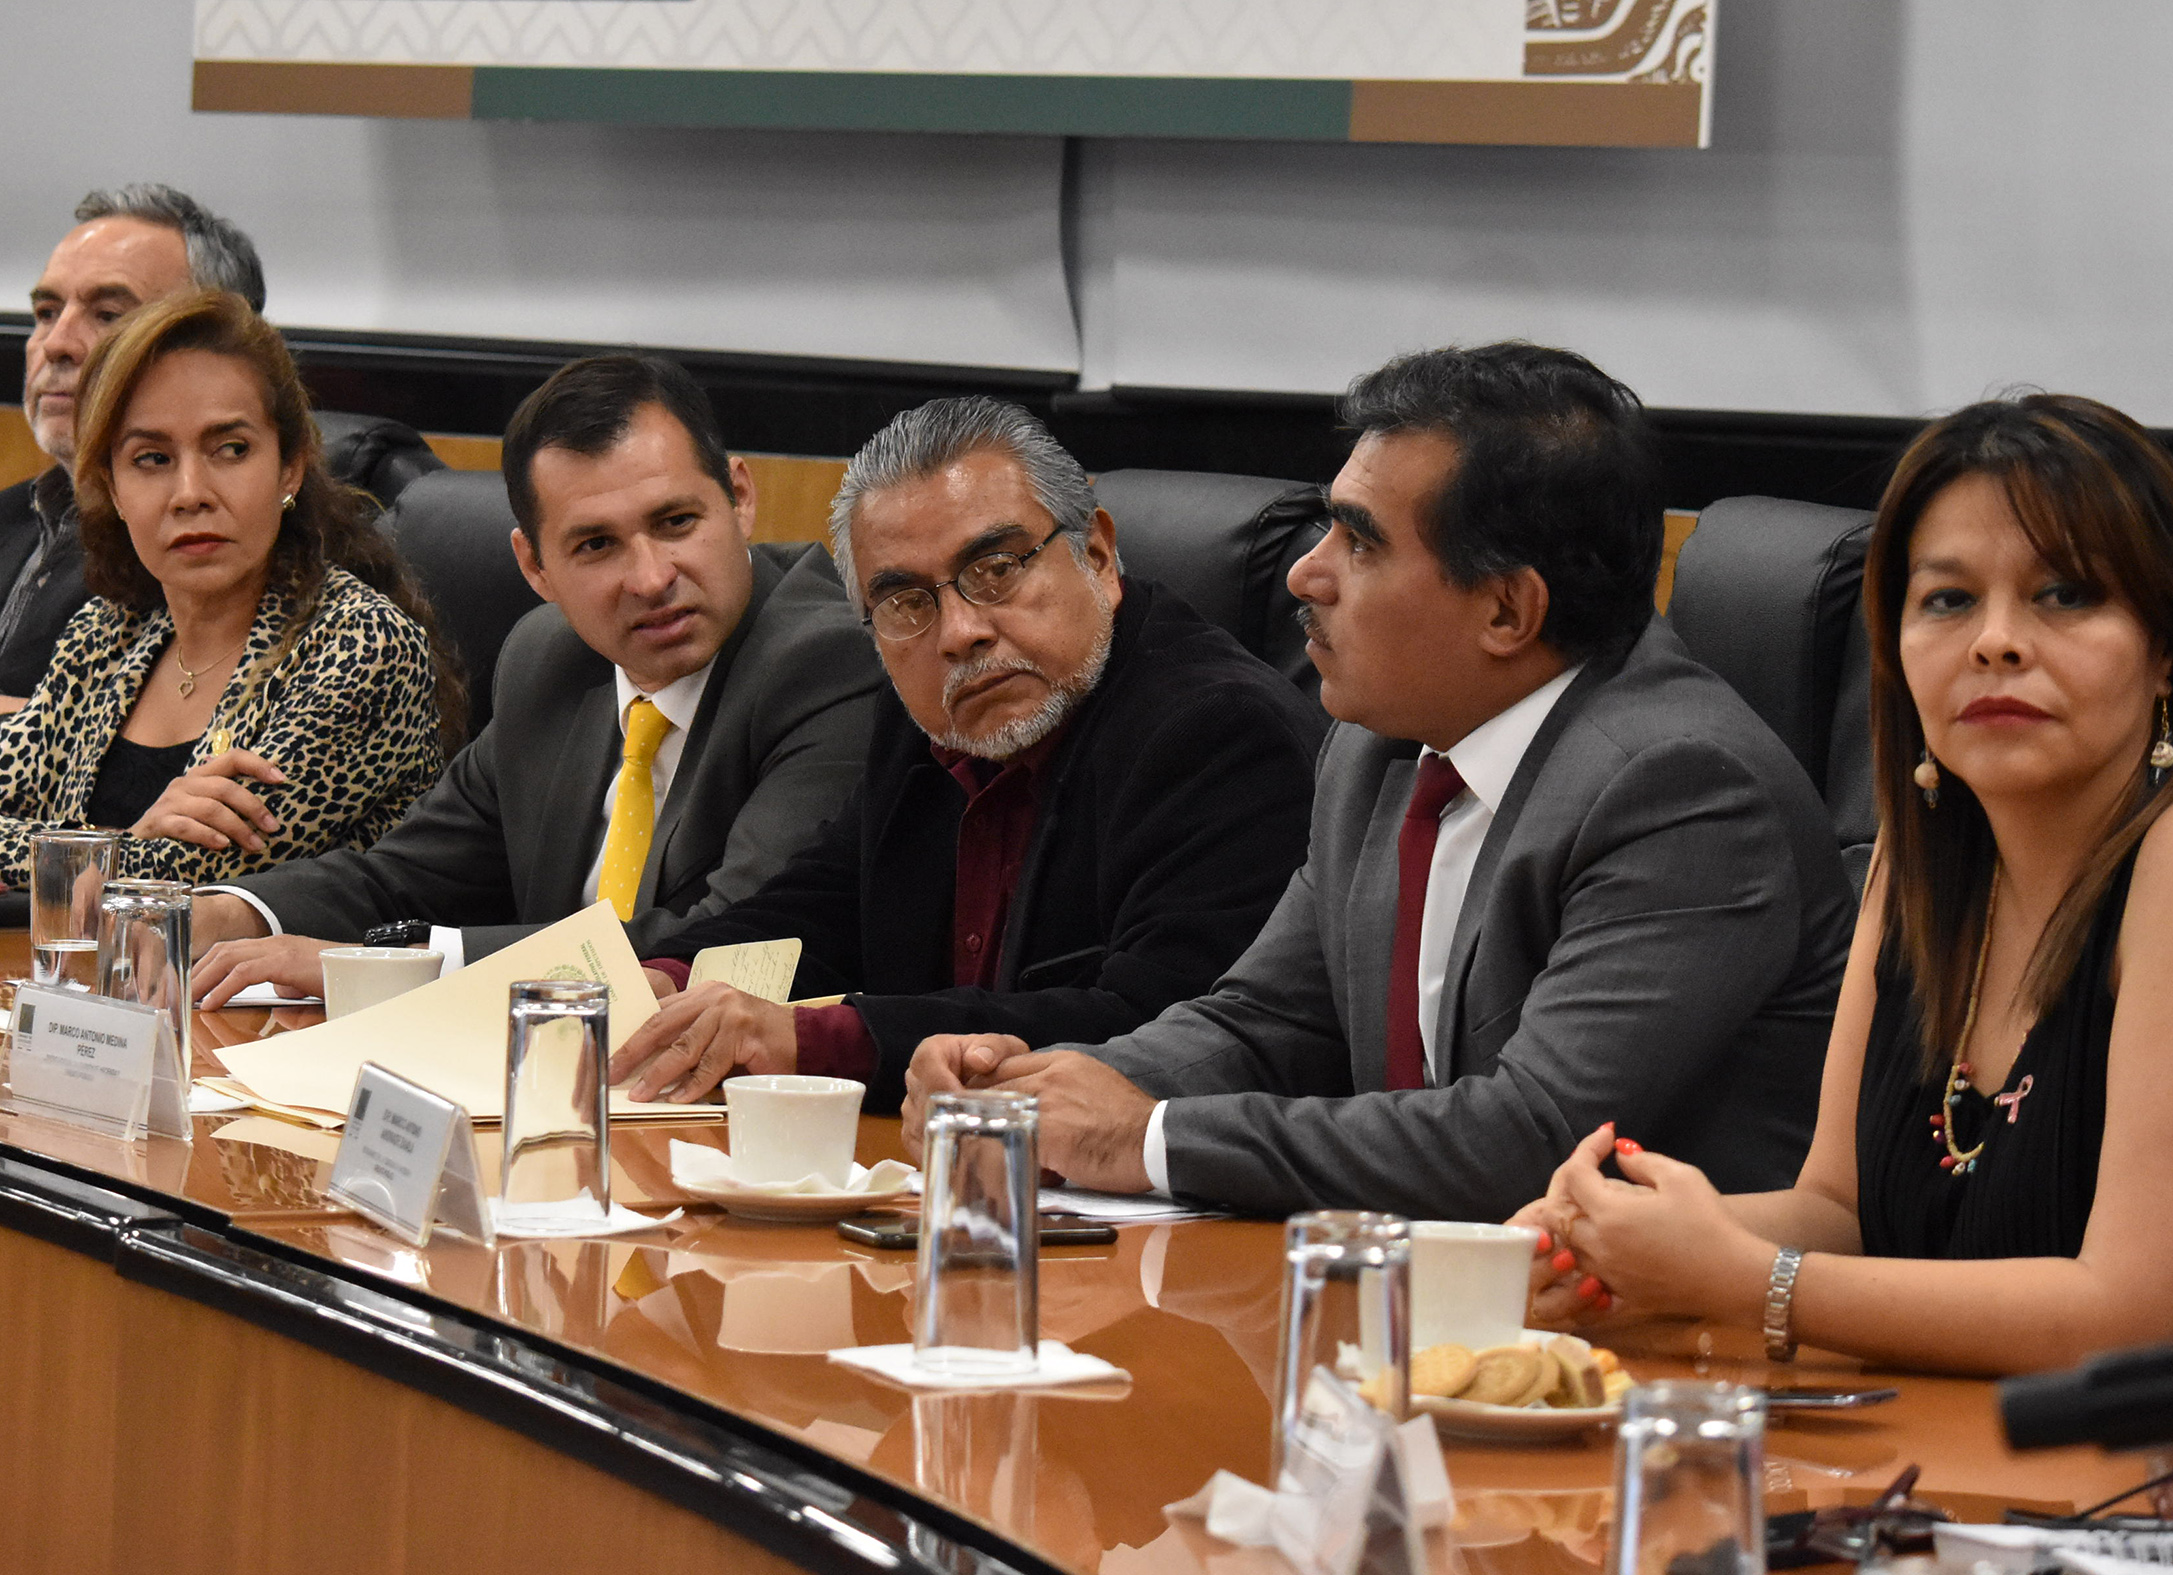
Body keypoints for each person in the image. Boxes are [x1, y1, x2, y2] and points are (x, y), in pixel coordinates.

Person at [901, 343, 1856, 1220]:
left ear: (1507, 610)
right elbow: (1267, 1020)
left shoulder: (1683, 792)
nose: (1305, 575)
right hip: (1437, 1297)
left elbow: (1526, 1139)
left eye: (1359, 543)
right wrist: (1035, 1089)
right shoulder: (1378, 748)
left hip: (1666, 1332)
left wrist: (1142, 1138)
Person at [1515, 394, 2173, 1376]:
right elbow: (1840, 1210)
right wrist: (1613, 1244)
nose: (1995, 641)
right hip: (1956, 1451)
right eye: (1948, 601)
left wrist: (1743, 1278)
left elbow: (2140, 1318)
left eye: (2065, 595)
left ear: (2167, 650)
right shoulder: (1917, 857)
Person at [603, 395, 1327, 1110]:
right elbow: (824, 908)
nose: (958, 633)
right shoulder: (933, 717)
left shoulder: (1222, 733)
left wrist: (818, 1039)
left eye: (996, 569)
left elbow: (1163, 1030)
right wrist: (668, 980)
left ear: (1098, 557)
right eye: (906, 603)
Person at [187, 354, 881, 996]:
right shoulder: (546, 659)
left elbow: (735, 945)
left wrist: (404, 963)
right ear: (535, 567)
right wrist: (236, 913)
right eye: (597, 544)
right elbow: (406, 877)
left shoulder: (826, 664)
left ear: (739, 498)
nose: (650, 578)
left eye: (675, 522)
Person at [0, 289, 458, 884]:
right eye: (151, 458)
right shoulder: (106, 634)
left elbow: (202, 873)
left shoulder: (363, 646)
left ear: (289, 468)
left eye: (230, 450)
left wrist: (93, 854)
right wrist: (125, 845)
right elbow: (132, 861)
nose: (191, 493)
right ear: (113, 489)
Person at [2, 184, 267, 706]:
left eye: (107, 315)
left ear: (218, 345)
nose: (56, 344)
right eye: (47, 312)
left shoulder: (206, 544)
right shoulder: (12, 513)